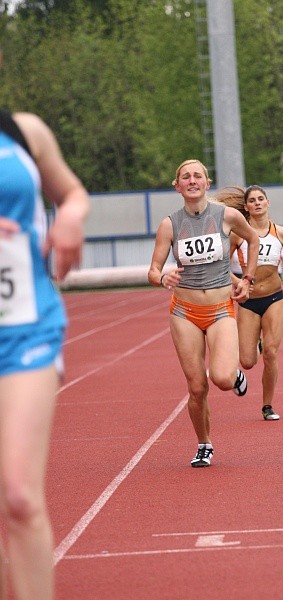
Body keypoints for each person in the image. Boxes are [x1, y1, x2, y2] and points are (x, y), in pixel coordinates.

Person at [0, 109, 90, 600]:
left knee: (18, 494)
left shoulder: (25, 131)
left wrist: (71, 217)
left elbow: (71, 192)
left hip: (24, 327)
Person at [148, 159, 259, 468]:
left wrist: (247, 280)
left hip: (221, 308)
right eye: (186, 177)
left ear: (207, 183)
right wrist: (162, 277)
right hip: (184, 312)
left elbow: (252, 238)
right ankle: (204, 443)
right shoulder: (170, 224)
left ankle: (234, 374)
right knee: (197, 387)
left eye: (198, 176)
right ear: (178, 185)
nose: (192, 180)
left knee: (222, 378)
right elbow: (153, 271)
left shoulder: (228, 215)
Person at [214, 185, 283, 422]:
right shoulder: (239, 235)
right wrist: (238, 281)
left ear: (268, 203)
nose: (257, 203)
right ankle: (254, 346)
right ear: (246, 207)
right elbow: (221, 265)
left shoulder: (282, 233)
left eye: (260, 199)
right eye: (252, 200)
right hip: (248, 301)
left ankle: (267, 405)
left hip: (274, 297)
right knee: (247, 362)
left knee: (272, 352)